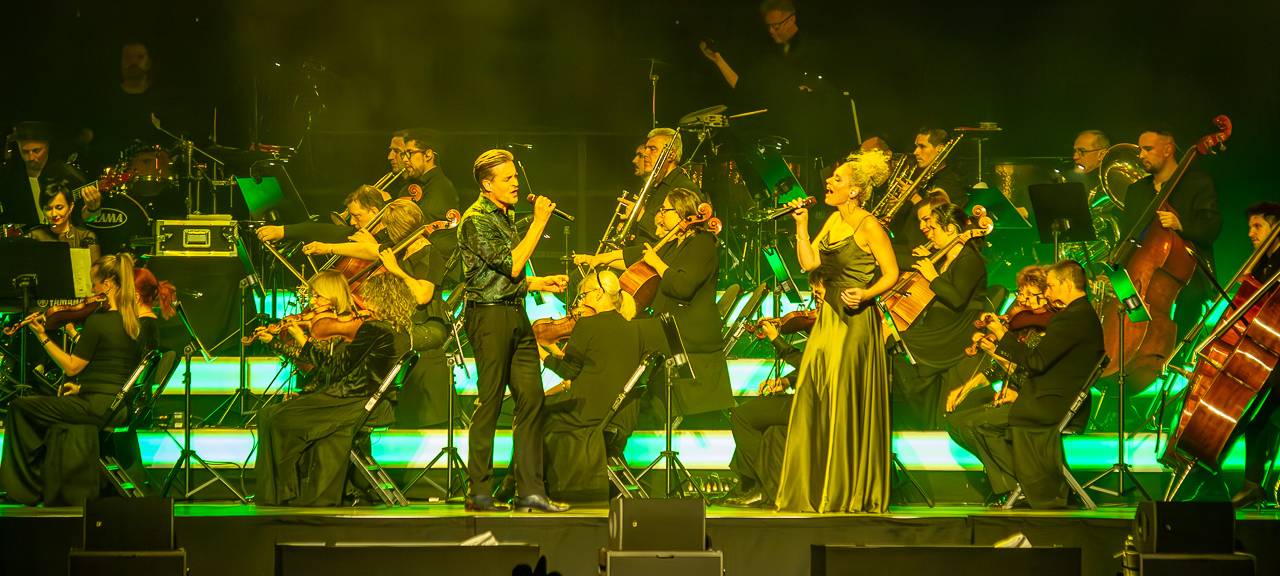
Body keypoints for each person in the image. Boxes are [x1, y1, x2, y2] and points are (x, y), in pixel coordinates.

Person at [773, 150, 899, 514]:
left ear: (856, 190)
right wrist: (801, 225)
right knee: (814, 390)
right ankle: (814, 486)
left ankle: (845, 490)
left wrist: (868, 293)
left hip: (855, 321)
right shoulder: (830, 220)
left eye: (838, 180)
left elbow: (892, 273)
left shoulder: (868, 225)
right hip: (828, 318)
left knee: (844, 397)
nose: (829, 183)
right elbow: (810, 263)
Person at [458, 149, 569, 513]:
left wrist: (541, 283)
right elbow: (512, 264)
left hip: (514, 313)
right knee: (490, 402)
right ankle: (479, 491)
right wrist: (538, 223)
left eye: (516, 178)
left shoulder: (504, 218)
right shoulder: (476, 220)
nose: (516, 184)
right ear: (487, 185)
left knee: (532, 397)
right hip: (488, 318)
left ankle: (530, 490)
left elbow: (508, 277)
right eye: (507, 179)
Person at [253, 272, 414, 506]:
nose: (364, 302)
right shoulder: (401, 331)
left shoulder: (374, 330)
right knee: (277, 415)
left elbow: (334, 368)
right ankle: (289, 491)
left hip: (351, 402)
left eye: (368, 297)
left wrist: (304, 341)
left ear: (380, 298)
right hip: (371, 403)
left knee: (273, 416)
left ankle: (279, 493)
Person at [0, 253, 143, 506]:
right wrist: (82, 388)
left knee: (20, 407)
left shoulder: (99, 322)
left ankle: (27, 487)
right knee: (51, 412)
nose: (91, 290)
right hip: (115, 408)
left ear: (107, 285)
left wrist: (43, 336)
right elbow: (111, 372)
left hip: (96, 408)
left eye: (94, 284)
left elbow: (72, 366)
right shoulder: (133, 322)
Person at [580, 187, 734, 418]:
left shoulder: (702, 243)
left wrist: (658, 264)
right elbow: (637, 260)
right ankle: (617, 407)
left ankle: (620, 412)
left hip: (687, 329)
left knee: (622, 333)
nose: (660, 215)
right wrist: (598, 260)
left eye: (665, 210)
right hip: (669, 322)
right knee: (620, 329)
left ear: (682, 212)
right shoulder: (677, 241)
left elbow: (682, 287)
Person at [966, 260, 1105, 509]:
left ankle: (1033, 485)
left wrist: (1002, 336)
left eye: (1050, 286)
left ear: (1066, 284)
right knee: (981, 423)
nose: (1048, 293)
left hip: (1051, 405)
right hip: (1058, 400)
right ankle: (1027, 485)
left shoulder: (1070, 319)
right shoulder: (1082, 314)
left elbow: (1035, 362)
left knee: (982, 424)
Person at [536, 270, 648, 501]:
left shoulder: (587, 326)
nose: (581, 302)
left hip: (590, 414)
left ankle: (530, 488)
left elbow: (568, 371)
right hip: (619, 415)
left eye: (584, 295)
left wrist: (539, 351)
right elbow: (592, 368)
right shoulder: (633, 329)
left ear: (598, 294)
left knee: (532, 415)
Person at [893, 202, 989, 430]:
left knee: (898, 342)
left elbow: (956, 299)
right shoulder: (946, 256)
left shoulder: (970, 259)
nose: (929, 232)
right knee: (899, 348)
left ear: (951, 229)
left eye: (934, 227)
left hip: (955, 332)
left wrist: (932, 276)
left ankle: (918, 419)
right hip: (939, 327)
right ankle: (919, 420)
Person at [1118, 129, 1221, 340]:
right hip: (1141, 274)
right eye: (1140, 150)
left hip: (1188, 276)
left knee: (1188, 301)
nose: (1141, 155)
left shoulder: (1198, 184)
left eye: (1148, 149)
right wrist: (1115, 267)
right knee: (1120, 293)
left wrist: (1182, 225)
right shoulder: (1136, 190)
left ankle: (1174, 357)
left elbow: (1212, 227)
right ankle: (1123, 353)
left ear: (1168, 149)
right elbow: (1126, 235)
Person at [722, 284, 818, 508]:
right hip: (806, 395)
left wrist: (777, 340)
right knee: (758, 420)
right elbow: (815, 367)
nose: (814, 300)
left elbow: (815, 365)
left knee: (742, 416)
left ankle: (763, 484)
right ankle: (752, 485)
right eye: (812, 291)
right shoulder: (826, 324)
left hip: (815, 403)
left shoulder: (836, 327)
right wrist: (786, 381)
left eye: (819, 293)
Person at [1227, 202, 1280, 508]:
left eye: (1257, 226)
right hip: (1267, 350)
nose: (1250, 233)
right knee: (1256, 414)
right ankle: (1253, 484)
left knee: (1258, 411)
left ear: (1275, 227)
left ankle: (1254, 484)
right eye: (1249, 227)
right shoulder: (1261, 265)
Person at [1, 121, 100, 226]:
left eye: (36, 150)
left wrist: (93, 209)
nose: (30, 157)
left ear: (47, 146)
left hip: (63, 240)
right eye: (25, 152)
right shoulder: (10, 176)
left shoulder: (68, 174)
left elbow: (90, 219)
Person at [627, 128, 703, 246]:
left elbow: (676, 240)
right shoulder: (655, 187)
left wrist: (641, 216)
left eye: (652, 149)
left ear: (671, 155)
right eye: (646, 148)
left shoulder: (683, 188)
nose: (645, 154)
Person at [398, 129, 459, 269]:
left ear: (428, 154)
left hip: (426, 270)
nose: (405, 159)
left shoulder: (441, 188)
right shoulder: (411, 186)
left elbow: (443, 244)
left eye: (410, 153)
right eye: (403, 154)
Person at [257, 184, 387, 246]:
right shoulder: (358, 233)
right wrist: (283, 231)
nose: (352, 222)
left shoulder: (391, 236)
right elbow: (321, 230)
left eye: (357, 216)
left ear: (375, 212)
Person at [25, 182, 100, 261]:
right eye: (48, 209)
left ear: (70, 207)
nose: (54, 214)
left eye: (59, 207)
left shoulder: (86, 236)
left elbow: (96, 270)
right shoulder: (34, 235)